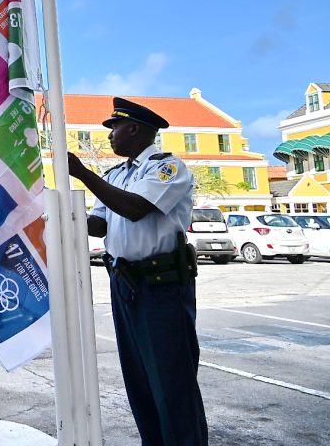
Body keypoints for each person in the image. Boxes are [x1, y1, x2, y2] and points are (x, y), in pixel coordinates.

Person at [68, 97, 207, 446]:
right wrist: (56, 211)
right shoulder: (116, 175)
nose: (110, 136)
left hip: (161, 285)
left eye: (114, 128)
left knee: (171, 382)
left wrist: (83, 173)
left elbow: (136, 209)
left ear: (134, 128)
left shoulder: (167, 168)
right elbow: (100, 224)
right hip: (124, 282)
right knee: (140, 381)